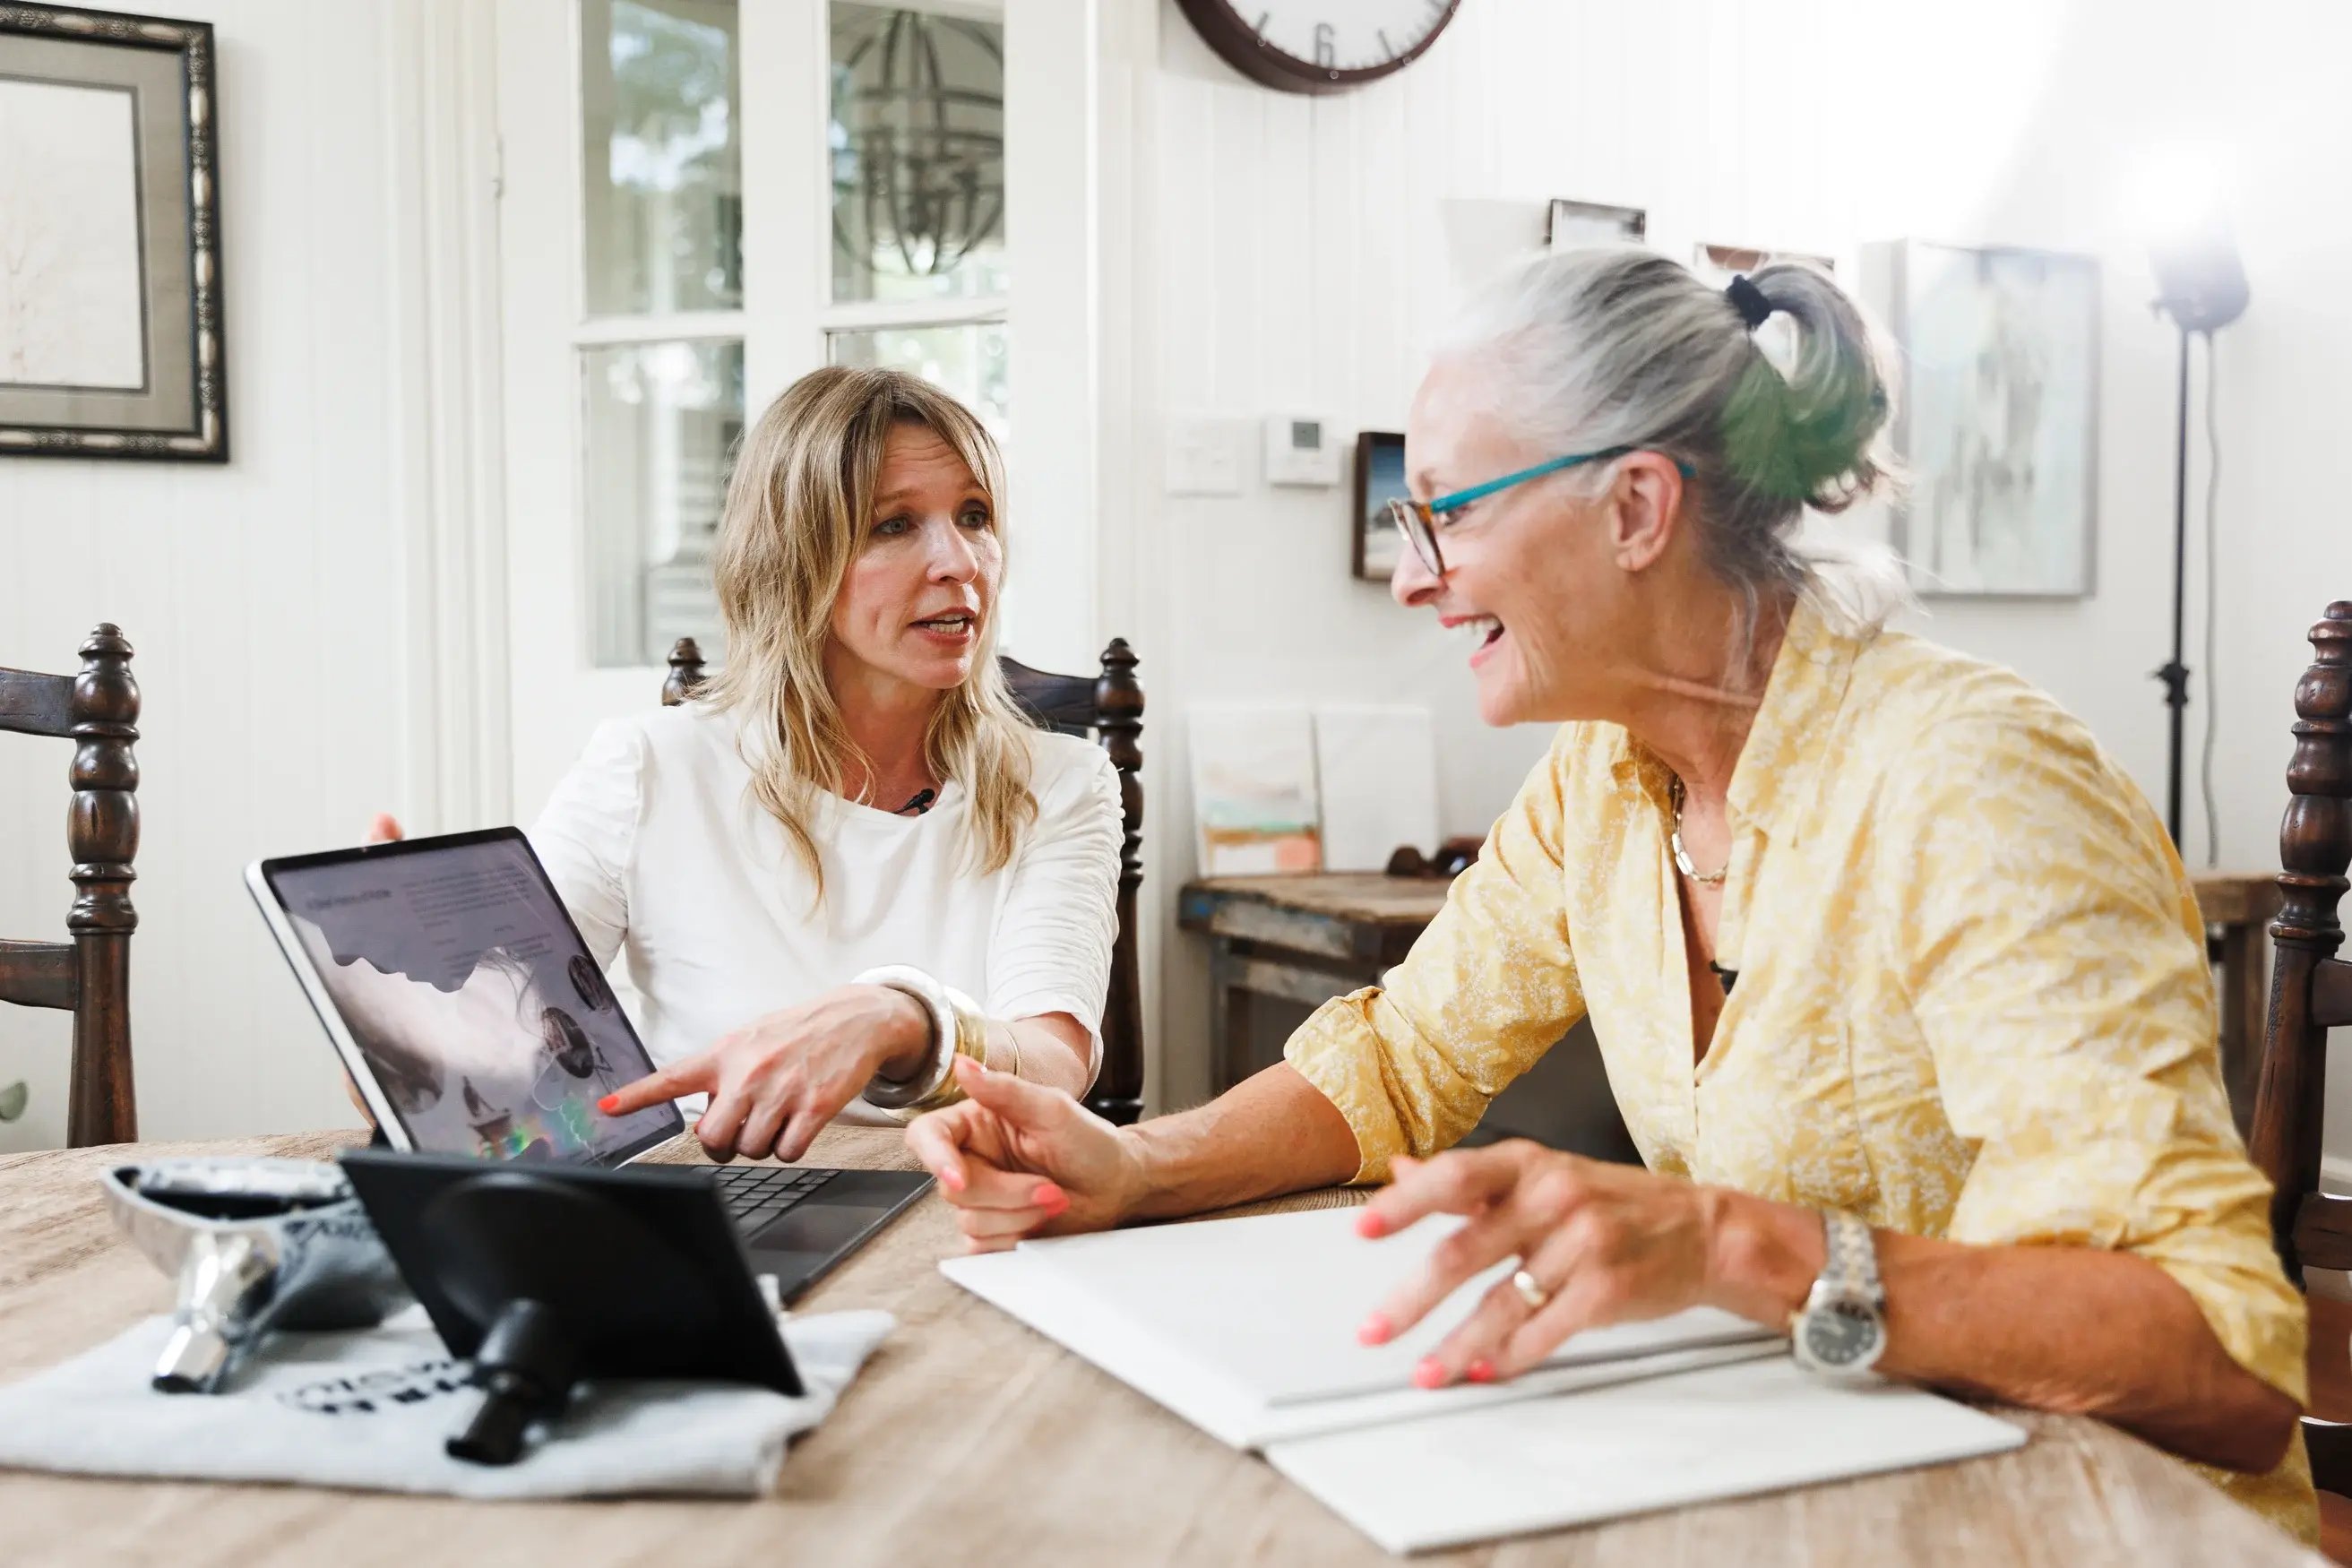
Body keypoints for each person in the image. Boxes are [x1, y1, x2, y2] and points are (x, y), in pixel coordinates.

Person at [905, 252, 2316, 1540]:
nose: (1411, 578)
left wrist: (1723, 1240)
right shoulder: (1602, 783)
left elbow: (2223, 1358)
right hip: (1815, 1483)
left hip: (2082, 1518)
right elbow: (1402, 1058)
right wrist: (1137, 1166)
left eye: (1444, 512)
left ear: (1636, 506)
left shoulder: (1973, 782)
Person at [369, 366, 1123, 1166]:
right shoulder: (646, 769)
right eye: (893, 525)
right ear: (793, 558)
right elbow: (495, 1057)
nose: (959, 561)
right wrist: (403, 1016)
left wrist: (897, 1019)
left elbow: (1053, 1065)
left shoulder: (1062, 784)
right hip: (725, 1196)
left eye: (975, 516)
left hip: (964, 1199)